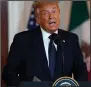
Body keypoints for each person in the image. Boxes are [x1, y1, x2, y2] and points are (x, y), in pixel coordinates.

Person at [2, 1, 88, 86]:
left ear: (59, 14)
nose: (51, 17)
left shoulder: (71, 39)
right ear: (38, 18)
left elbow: (80, 70)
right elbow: (9, 73)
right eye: (46, 13)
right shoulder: (22, 40)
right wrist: (23, 85)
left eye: (54, 11)